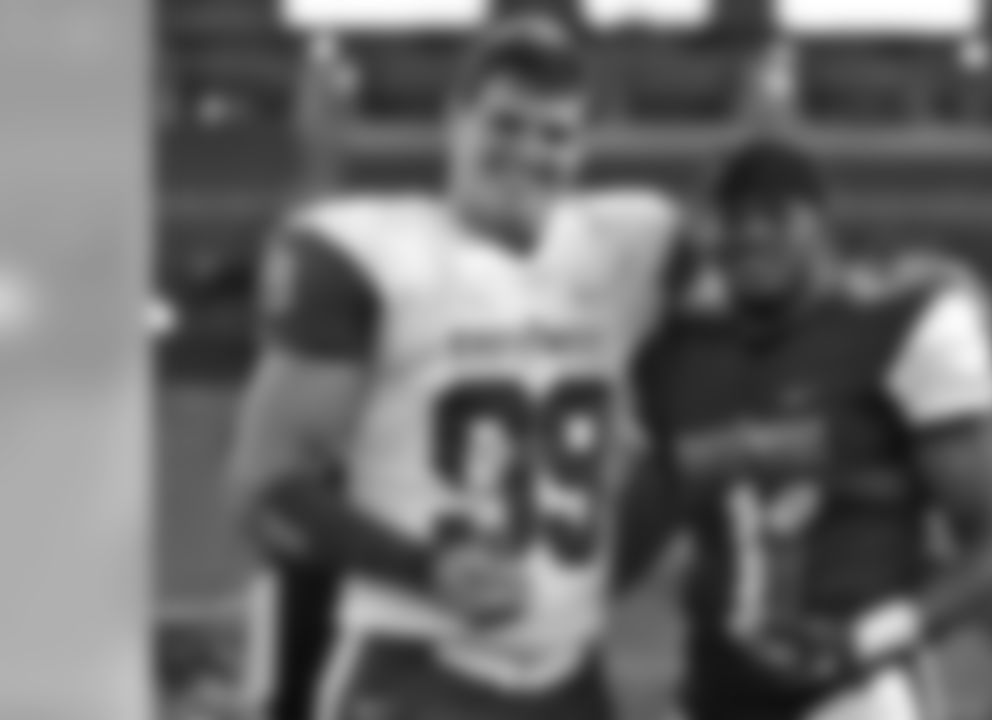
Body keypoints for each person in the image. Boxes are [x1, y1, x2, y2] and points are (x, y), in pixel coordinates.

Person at [227, 17, 682, 720]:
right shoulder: (371, 255)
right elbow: (263, 487)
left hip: (574, 676)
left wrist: (614, 563)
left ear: (583, 146)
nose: (528, 151)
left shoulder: (625, 245)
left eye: (555, 134)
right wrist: (425, 569)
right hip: (415, 666)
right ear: (455, 121)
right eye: (505, 124)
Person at [618, 137, 992, 720]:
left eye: (773, 213)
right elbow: (631, 534)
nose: (752, 234)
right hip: (716, 697)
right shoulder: (683, 355)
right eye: (734, 218)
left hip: (857, 694)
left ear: (819, 221)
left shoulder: (895, 325)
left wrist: (870, 638)